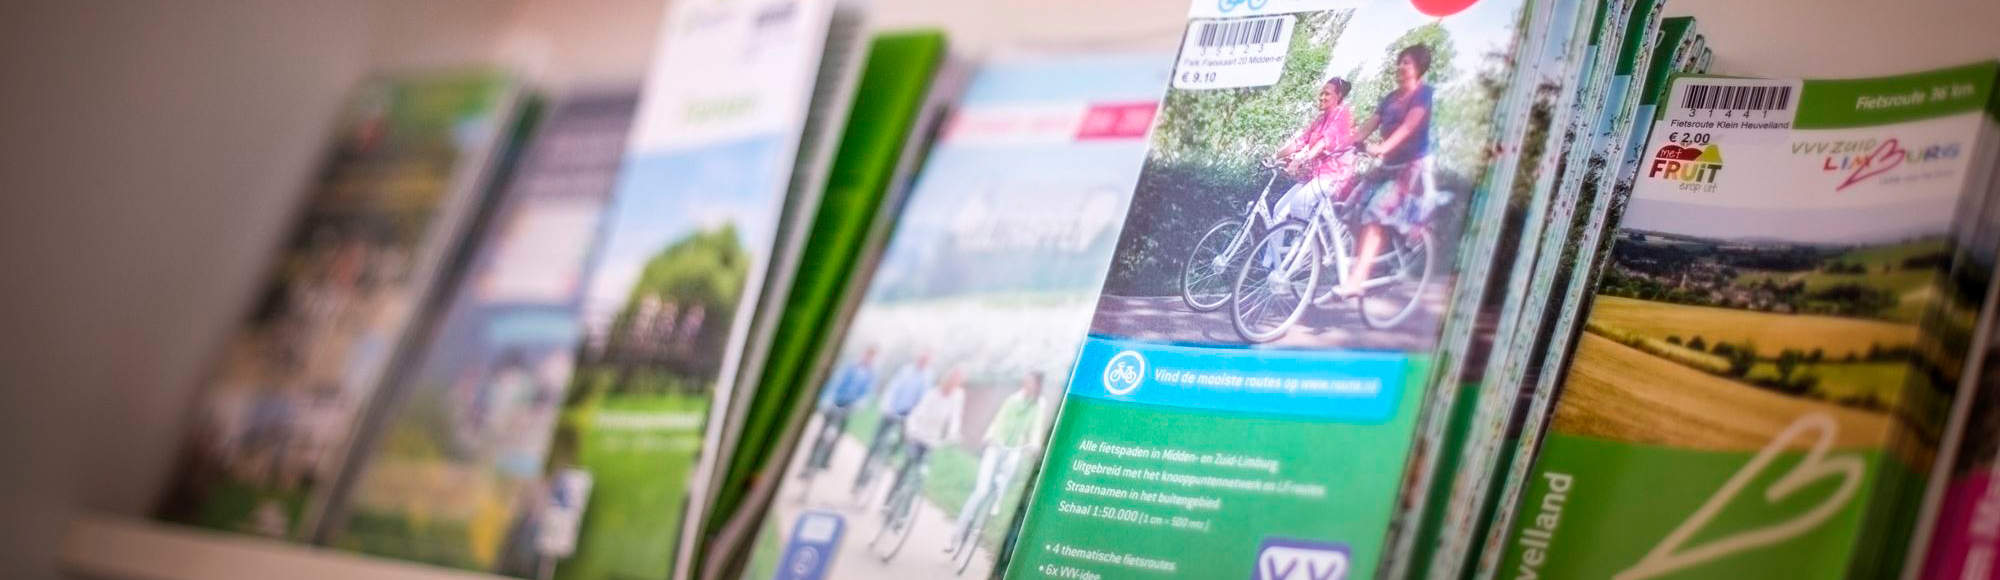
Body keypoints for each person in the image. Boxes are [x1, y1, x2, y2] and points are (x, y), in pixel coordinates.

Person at [1333, 44, 1436, 297]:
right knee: (1352, 209)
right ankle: (1378, 259)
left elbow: (1408, 128)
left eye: (1407, 62)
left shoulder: (1423, 94)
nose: (1400, 66)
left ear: (1419, 67)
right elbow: (1364, 130)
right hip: (1388, 164)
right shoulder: (1389, 99)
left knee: (1376, 212)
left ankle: (1356, 281)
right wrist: (1337, 147)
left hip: (1412, 166)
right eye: (1399, 61)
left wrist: (1382, 148)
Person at [947, 372, 1048, 553]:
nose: (1028, 385)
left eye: (1032, 383)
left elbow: (1036, 427)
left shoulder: (1038, 404)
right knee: (981, 491)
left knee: (1011, 465)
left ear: (1037, 386)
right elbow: (999, 420)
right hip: (996, 446)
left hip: (1014, 448)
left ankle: (997, 500)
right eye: (1027, 381)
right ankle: (955, 535)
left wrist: (1034, 445)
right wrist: (991, 436)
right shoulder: (1013, 399)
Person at [1270, 77, 1360, 223]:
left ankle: (1303, 237)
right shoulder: (1320, 119)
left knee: (1298, 205)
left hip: (1332, 176)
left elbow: (1325, 141)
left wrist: (1301, 160)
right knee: (1279, 211)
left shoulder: (1341, 114)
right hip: (1314, 176)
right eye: (1321, 93)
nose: (1322, 97)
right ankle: (1285, 237)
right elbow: (1301, 141)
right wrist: (1275, 156)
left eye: (1327, 94)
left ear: (1339, 96)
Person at [884, 367, 965, 507]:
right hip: (917, 433)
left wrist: (953, 434)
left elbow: (955, 419)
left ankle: (905, 511)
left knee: (920, 475)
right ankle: (889, 501)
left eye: (958, 380)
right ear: (948, 378)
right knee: (907, 465)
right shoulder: (934, 392)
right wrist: (911, 430)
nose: (955, 382)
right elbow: (918, 411)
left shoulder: (958, 396)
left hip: (932, 439)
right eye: (954, 378)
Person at [854, 352, 931, 492]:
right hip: (891, 411)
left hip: (906, 417)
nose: (922, 361)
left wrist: (912, 419)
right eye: (922, 358)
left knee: (899, 447)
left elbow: (921, 402)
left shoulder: (926, 378)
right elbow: (893, 388)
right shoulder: (906, 370)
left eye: (926, 360)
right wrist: (887, 407)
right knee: (875, 443)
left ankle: (886, 461)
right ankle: (860, 480)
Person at [801, 346, 876, 476]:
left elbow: (866, 394)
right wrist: (829, 400)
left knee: (836, 436)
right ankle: (810, 461)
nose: (868, 358)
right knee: (823, 433)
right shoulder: (851, 366)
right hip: (836, 402)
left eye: (871, 356)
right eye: (867, 354)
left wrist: (856, 406)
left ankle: (824, 461)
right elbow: (836, 381)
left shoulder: (871, 374)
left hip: (848, 408)